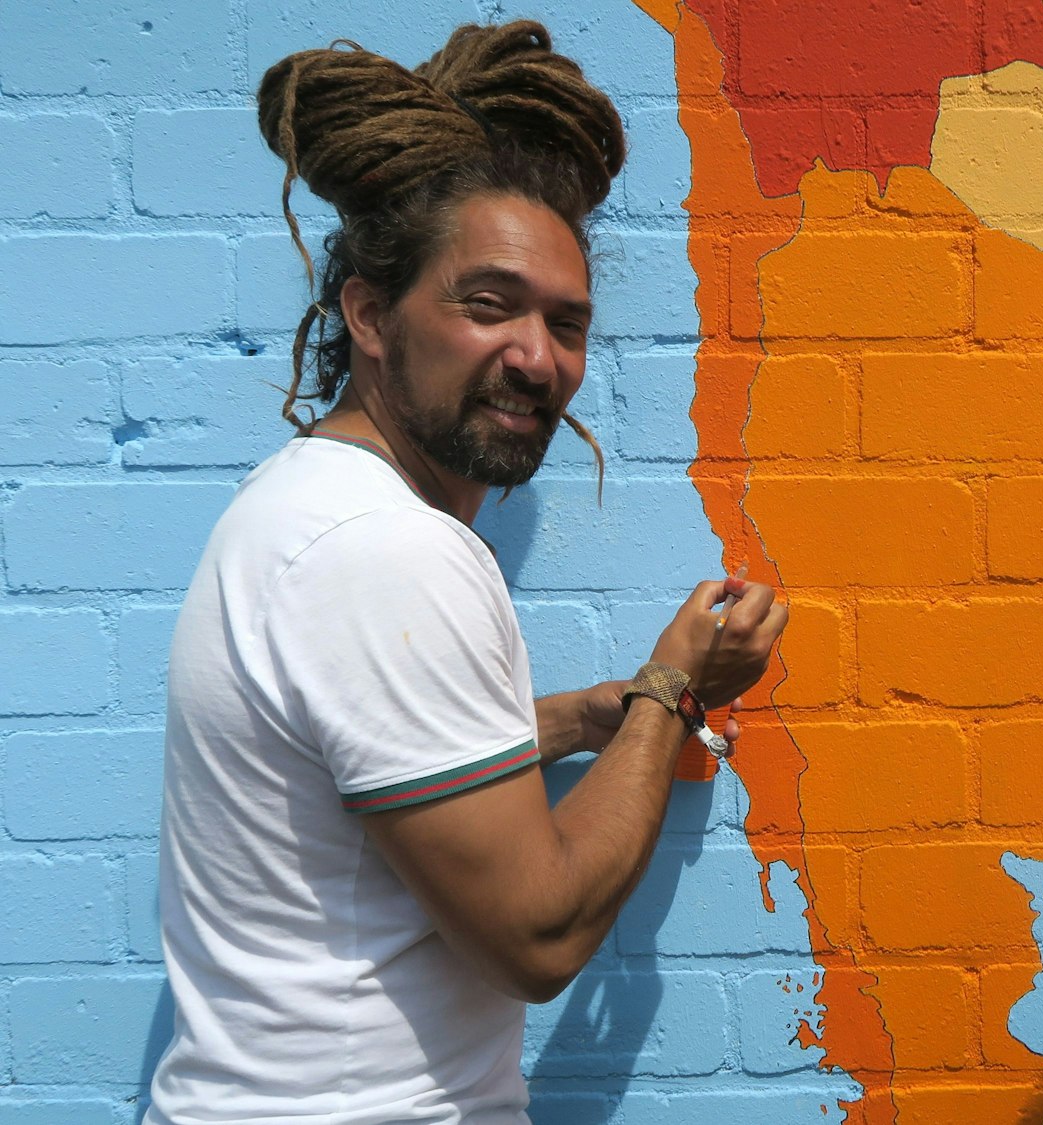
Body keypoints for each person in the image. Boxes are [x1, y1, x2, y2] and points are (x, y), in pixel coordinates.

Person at [146, 22, 787, 1123]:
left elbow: (367, 765)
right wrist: (669, 690)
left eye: (566, 323)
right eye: (488, 305)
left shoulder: (304, 504)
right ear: (369, 315)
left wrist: (579, 720)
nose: (537, 357)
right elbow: (536, 937)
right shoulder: (384, 550)